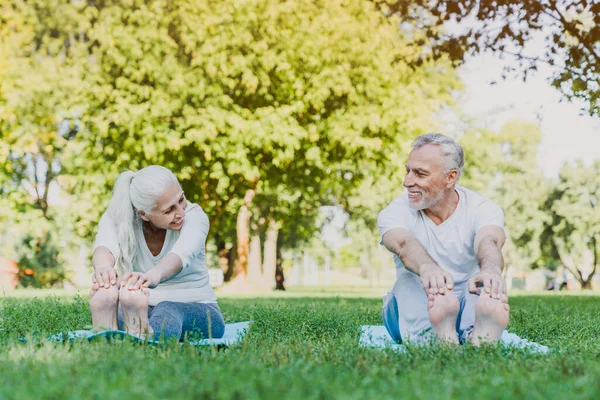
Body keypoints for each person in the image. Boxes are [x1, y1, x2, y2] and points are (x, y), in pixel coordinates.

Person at [378, 133, 509, 345]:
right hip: (409, 307)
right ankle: (440, 338)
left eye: (420, 174)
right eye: (408, 171)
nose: (407, 182)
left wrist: (492, 270)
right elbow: (403, 244)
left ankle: (475, 337)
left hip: (465, 304)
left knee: (486, 280)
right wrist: (428, 269)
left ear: (450, 177)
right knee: (411, 282)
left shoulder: (482, 208)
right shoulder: (395, 211)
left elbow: (489, 241)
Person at [89, 165, 225, 341]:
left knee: (167, 311)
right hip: (141, 303)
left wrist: (153, 276)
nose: (180, 212)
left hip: (199, 308)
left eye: (181, 199)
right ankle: (114, 328)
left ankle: (136, 332)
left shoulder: (196, 217)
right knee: (122, 306)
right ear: (144, 214)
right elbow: (104, 246)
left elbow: (182, 254)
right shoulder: (119, 217)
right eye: (169, 210)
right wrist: (103, 268)